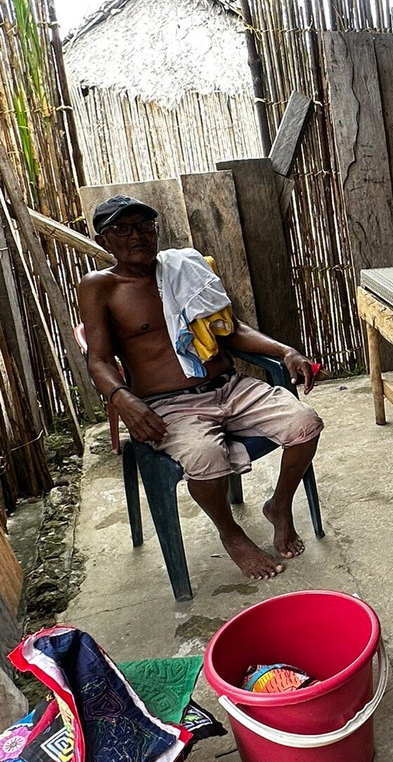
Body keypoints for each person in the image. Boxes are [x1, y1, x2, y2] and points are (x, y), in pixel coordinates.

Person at [78, 196, 324, 581]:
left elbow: (233, 329)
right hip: (168, 406)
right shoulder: (101, 287)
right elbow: (98, 360)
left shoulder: (186, 268)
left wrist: (285, 350)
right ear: (104, 241)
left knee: (305, 422)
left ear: (157, 230)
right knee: (205, 456)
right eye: (121, 230)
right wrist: (122, 398)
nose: (136, 236)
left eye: (144, 225)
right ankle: (232, 534)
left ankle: (279, 505)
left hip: (229, 386)